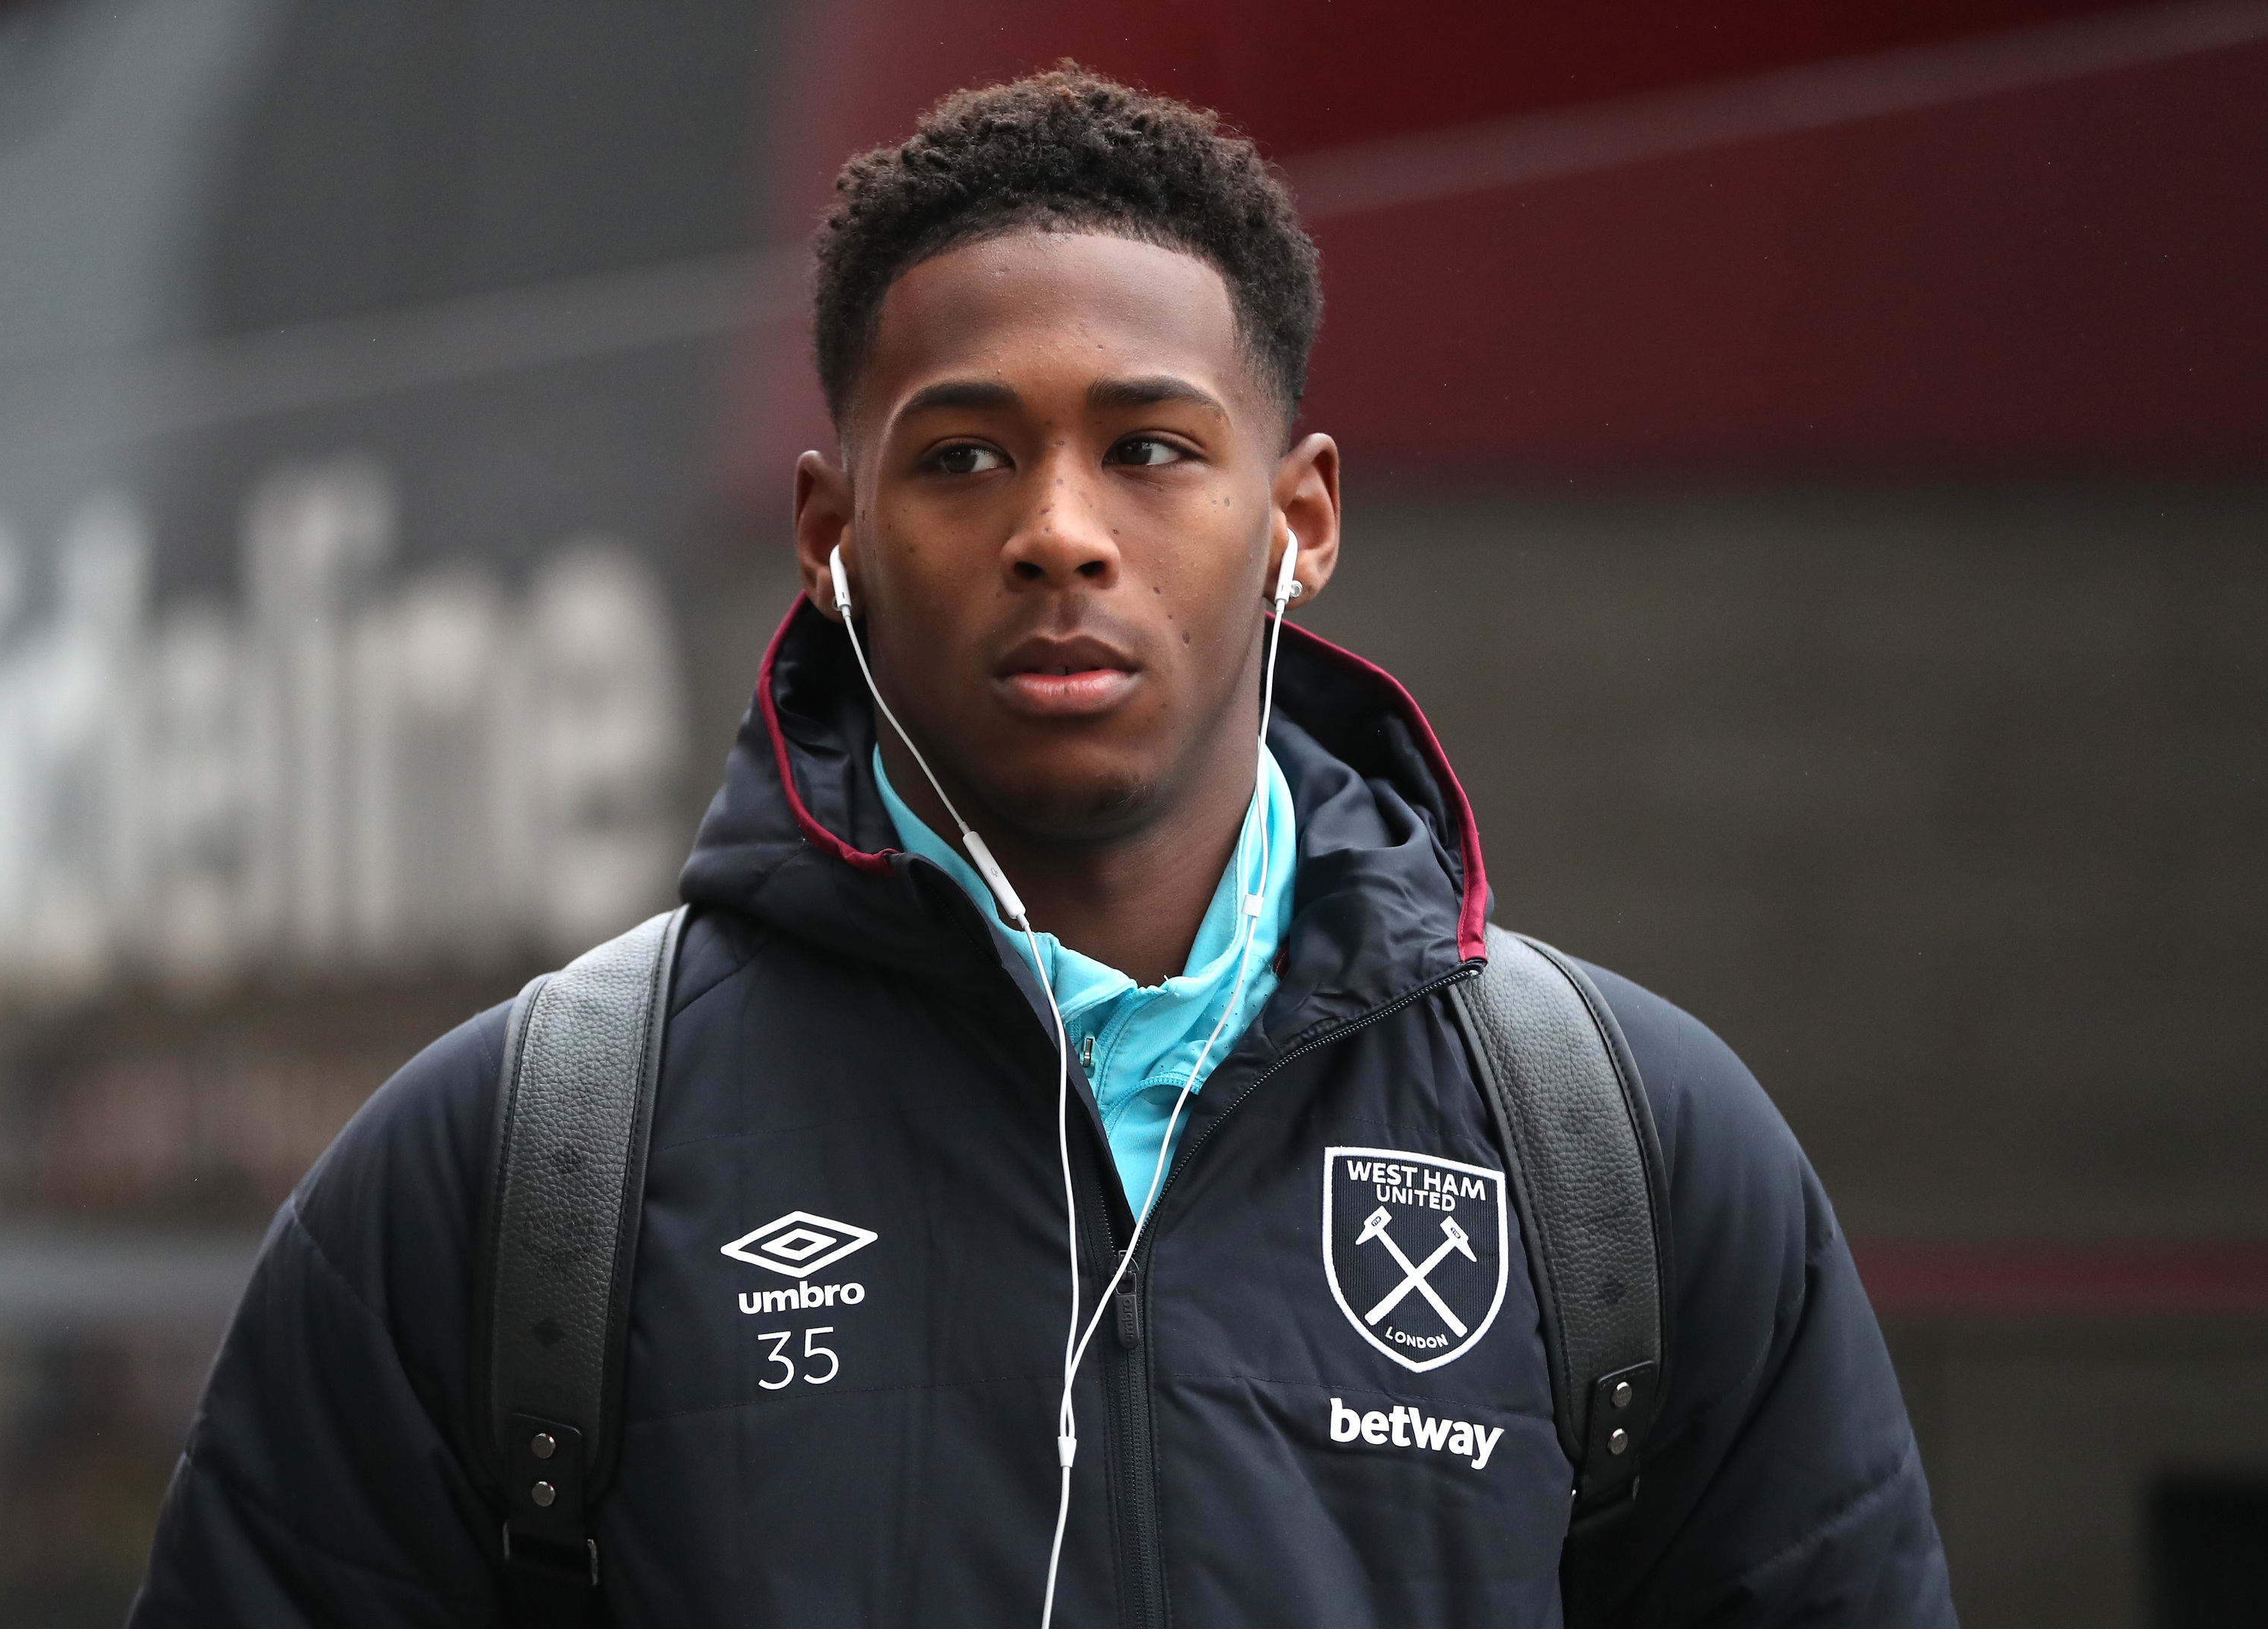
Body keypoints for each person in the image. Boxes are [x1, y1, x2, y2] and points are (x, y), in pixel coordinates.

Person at [130, 68, 1955, 1628]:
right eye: (962, 459)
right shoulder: (514, 1170)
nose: (1058, 533)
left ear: (1296, 519)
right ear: (828, 531)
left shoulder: (1627, 1154)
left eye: (1152, 449)